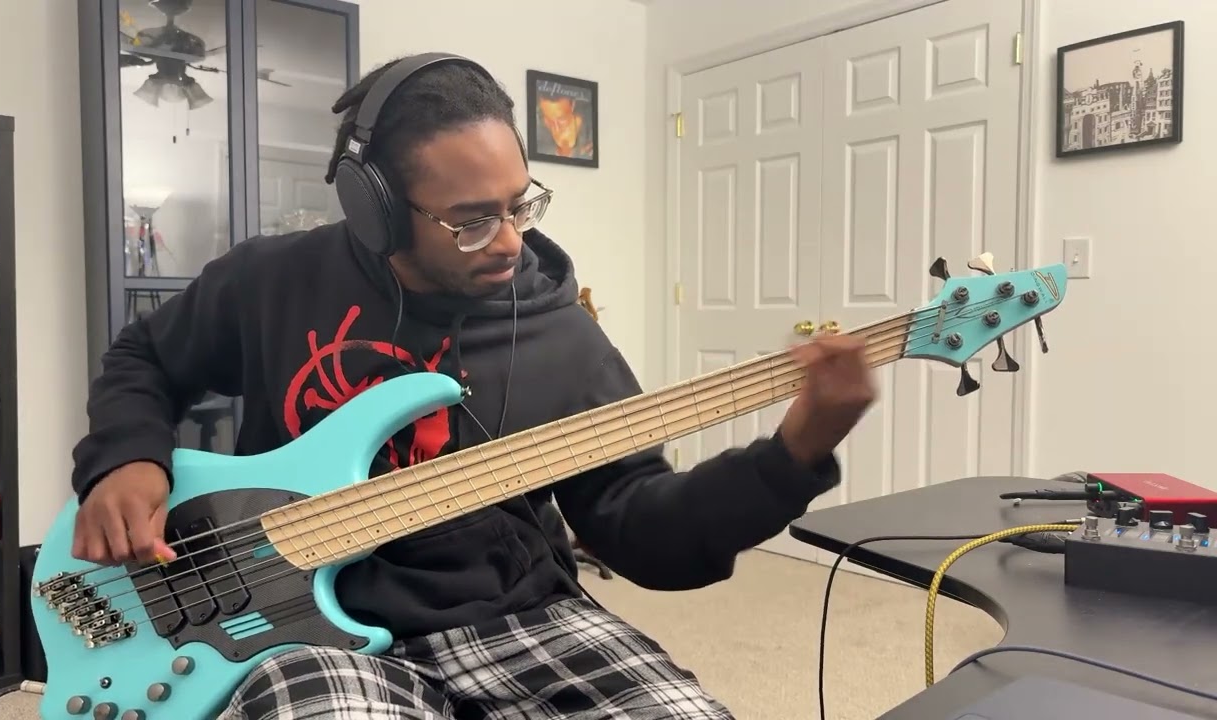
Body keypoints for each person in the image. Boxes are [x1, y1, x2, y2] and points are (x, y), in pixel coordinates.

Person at [69, 52, 876, 720]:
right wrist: (128, 458)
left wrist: (794, 453)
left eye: (520, 205)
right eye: (472, 220)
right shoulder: (269, 281)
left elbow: (640, 533)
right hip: (297, 627)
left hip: (521, 618)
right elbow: (143, 356)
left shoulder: (564, 335)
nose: (511, 241)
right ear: (377, 210)